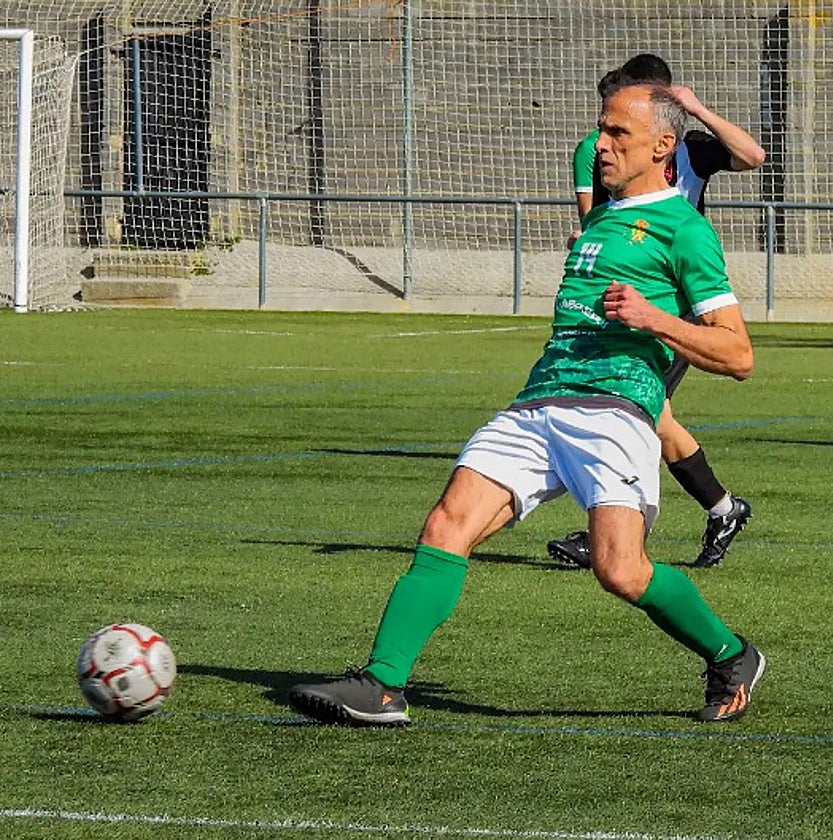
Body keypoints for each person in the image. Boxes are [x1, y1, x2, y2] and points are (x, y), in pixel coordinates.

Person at [289, 83, 765, 727]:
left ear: (662, 146)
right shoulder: (602, 218)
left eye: (617, 134)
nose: (599, 145)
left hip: (615, 410)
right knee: (445, 525)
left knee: (620, 571)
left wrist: (654, 318)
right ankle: (382, 684)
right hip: (538, 401)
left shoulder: (686, 231)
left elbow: (738, 355)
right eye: (600, 130)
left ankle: (731, 655)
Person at [550, 54, 766, 570]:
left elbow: (753, 155)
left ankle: (624, 533)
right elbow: (597, 218)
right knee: (649, 414)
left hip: (673, 303)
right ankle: (718, 508)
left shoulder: (691, 150)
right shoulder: (599, 150)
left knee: (637, 410)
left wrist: (698, 109)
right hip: (618, 302)